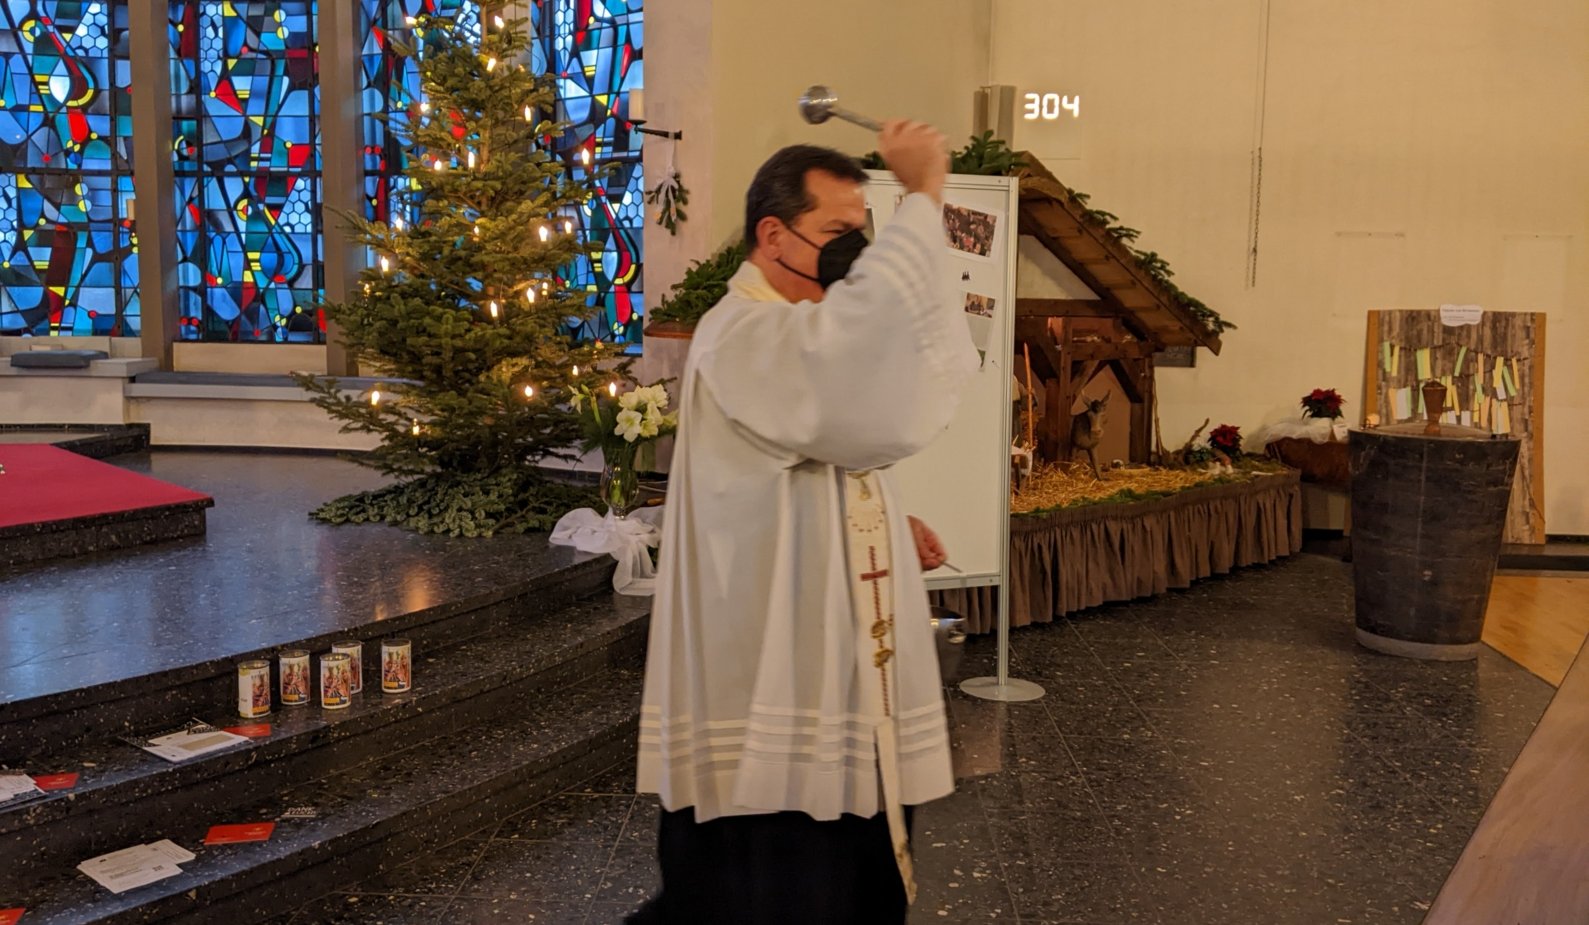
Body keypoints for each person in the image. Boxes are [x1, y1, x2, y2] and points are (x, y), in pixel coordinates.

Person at [630, 120, 979, 925]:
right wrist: (922, 193)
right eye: (838, 234)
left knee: (846, 839)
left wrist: (890, 521)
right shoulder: (744, 329)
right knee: (778, 866)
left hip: (829, 638)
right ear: (772, 233)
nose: (852, 254)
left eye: (863, 235)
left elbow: (827, 447)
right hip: (774, 658)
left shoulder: (787, 329)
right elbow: (849, 357)